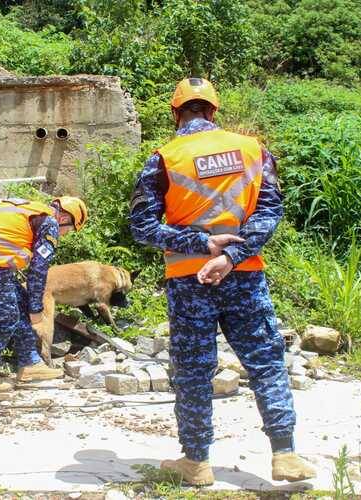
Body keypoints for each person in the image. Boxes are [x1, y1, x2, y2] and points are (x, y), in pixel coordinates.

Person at [129, 77, 316, 485]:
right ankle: (285, 454)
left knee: (194, 371)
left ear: (176, 113)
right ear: (214, 111)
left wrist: (199, 242)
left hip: (187, 278)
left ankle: (196, 463)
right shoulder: (253, 150)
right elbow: (269, 213)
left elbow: (142, 227)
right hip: (243, 274)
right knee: (266, 361)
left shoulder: (164, 158)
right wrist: (231, 255)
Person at [0, 196, 88, 393]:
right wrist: (37, 309)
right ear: (64, 219)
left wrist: (30, 304)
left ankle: (30, 364)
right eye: (68, 230)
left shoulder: (32, 210)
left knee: (20, 301)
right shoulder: (49, 222)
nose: (65, 234)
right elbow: (38, 270)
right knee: (6, 320)